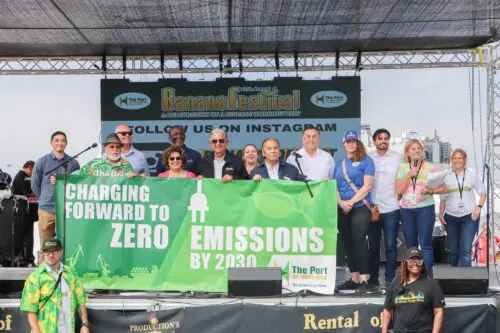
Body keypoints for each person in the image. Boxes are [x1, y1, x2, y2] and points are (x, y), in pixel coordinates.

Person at [333, 130, 375, 293]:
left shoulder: (366, 160)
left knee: (359, 240)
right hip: (342, 207)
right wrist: (340, 202)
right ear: (343, 144)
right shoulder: (339, 163)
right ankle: (354, 278)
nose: (351, 144)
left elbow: (367, 186)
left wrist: (350, 201)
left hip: (360, 207)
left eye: (353, 141)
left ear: (358, 143)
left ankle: (364, 280)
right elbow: (333, 186)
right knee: (347, 243)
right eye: (348, 141)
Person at [20, 237, 90, 333]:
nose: (51, 255)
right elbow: (30, 310)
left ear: (61, 252)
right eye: (47, 252)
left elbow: (81, 301)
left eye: (54, 252)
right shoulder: (35, 278)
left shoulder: (71, 273)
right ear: (43, 254)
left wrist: (84, 324)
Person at [396, 139, 440, 274]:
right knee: (411, 245)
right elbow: (398, 190)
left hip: (425, 208)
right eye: (413, 149)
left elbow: (443, 187)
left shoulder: (431, 167)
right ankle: (412, 276)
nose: (416, 151)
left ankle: (427, 276)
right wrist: (409, 175)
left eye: (418, 148)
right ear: (407, 152)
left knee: (426, 244)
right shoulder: (403, 167)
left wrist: (431, 191)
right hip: (407, 210)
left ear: (422, 151)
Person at [439, 149, 486, 267]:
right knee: (454, 252)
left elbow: (483, 193)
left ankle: (465, 282)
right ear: (451, 160)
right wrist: (440, 213)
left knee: (465, 250)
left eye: (460, 158)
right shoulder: (446, 176)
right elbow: (443, 199)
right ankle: (455, 280)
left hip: (469, 216)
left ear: (465, 160)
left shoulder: (472, 174)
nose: (457, 160)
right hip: (451, 217)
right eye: (455, 158)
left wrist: (478, 208)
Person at [368, 129, 403, 288]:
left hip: (392, 208)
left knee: (391, 246)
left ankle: (390, 279)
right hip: (373, 208)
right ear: (375, 141)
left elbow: (402, 180)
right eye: (380, 138)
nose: (383, 141)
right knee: (373, 246)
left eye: (386, 138)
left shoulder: (397, 158)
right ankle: (373, 279)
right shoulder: (368, 158)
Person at [32, 131, 80, 245]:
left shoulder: (73, 163)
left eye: (63, 140)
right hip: (46, 209)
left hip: (66, 210)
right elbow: (35, 185)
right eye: (57, 140)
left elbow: (78, 184)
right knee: (45, 245)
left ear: (66, 143)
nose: (60, 143)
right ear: (51, 143)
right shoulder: (42, 161)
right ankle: (43, 263)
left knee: (66, 244)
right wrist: (44, 197)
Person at [382, 247, 445, 333]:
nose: (415, 264)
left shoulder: (432, 285)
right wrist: (384, 330)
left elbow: (439, 312)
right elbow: (387, 310)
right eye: (411, 260)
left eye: (418, 261)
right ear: (405, 263)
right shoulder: (395, 284)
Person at [11, 160, 37, 267]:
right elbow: (26, 193)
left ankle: (26, 257)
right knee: (23, 234)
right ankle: (21, 257)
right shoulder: (21, 176)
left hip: (23, 208)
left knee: (25, 233)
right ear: (30, 167)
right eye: (33, 171)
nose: (32, 174)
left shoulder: (20, 176)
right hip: (21, 207)